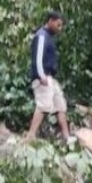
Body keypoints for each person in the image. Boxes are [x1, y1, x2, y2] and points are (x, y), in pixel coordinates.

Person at [27, 11, 72, 142]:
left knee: (60, 105)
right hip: (43, 77)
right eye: (58, 25)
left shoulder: (49, 37)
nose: (60, 28)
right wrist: (41, 75)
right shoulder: (41, 36)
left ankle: (66, 137)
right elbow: (38, 57)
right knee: (43, 105)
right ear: (50, 21)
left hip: (50, 77)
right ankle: (30, 135)